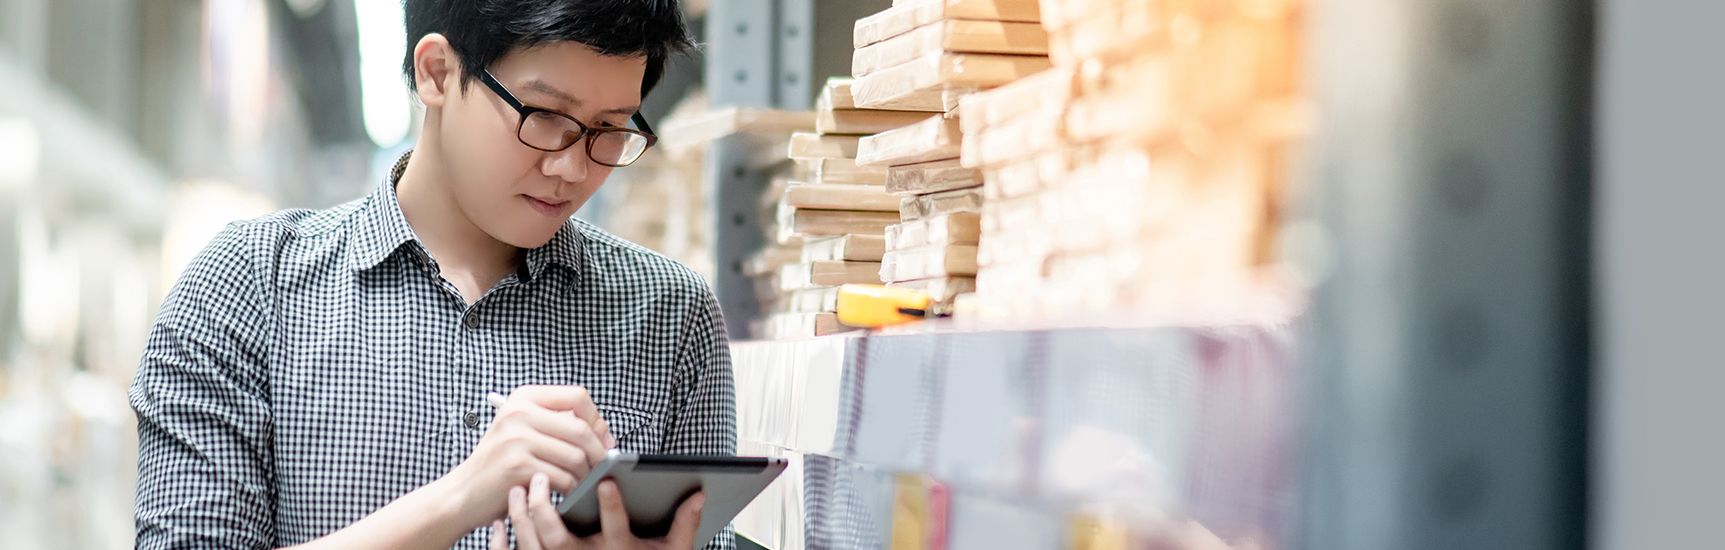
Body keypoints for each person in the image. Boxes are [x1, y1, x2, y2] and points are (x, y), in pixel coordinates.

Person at [127, 1, 733, 549]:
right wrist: (459, 500)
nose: (572, 166)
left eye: (609, 129)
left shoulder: (672, 317)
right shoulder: (249, 284)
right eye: (547, 115)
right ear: (437, 73)